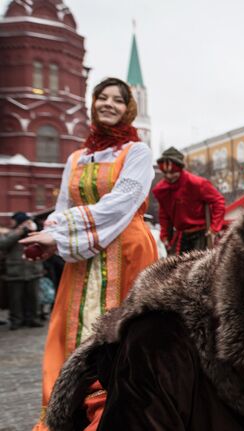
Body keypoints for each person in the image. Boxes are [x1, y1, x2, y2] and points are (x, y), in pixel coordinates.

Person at [19, 77, 158, 429]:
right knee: (70, 328)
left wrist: (59, 235)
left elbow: (120, 204)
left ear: (129, 109)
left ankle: (117, 415)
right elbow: (62, 205)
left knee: (122, 333)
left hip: (126, 249)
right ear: (93, 103)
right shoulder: (77, 158)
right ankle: (69, 411)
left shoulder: (137, 153)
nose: (109, 104)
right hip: (83, 258)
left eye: (118, 100)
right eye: (102, 98)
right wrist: (45, 237)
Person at [152, 147, 226, 254]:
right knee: (180, 267)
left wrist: (214, 228)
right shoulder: (162, 189)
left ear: (180, 169)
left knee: (199, 267)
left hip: (201, 234)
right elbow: (164, 214)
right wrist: (164, 235)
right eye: (166, 173)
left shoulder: (197, 183)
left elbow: (218, 201)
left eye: (173, 173)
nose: (169, 176)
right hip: (181, 236)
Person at [0, 212, 44, 330]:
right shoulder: (11, 233)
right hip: (15, 271)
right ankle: (16, 320)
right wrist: (18, 232)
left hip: (33, 270)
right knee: (15, 300)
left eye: (13, 220)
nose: (11, 222)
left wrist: (31, 229)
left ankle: (33, 319)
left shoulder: (34, 233)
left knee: (34, 298)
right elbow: (3, 244)